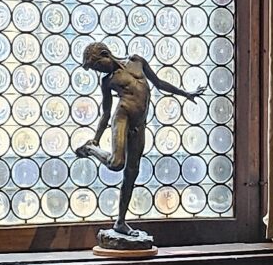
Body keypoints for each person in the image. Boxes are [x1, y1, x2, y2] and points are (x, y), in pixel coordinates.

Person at [73, 42, 201, 247]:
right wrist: (96, 138)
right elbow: (106, 113)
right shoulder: (107, 81)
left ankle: (120, 222)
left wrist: (186, 94)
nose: (98, 71)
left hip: (139, 124)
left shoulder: (137, 61)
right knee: (116, 163)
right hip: (122, 117)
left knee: (131, 172)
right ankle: (90, 148)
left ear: (106, 55)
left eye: (97, 66)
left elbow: (159, 83)